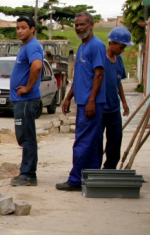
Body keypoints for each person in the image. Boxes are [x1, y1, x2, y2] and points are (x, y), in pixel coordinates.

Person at [57, 11, 107, 191]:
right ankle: (91, 179)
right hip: (83, 102)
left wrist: (92, 100)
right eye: (77, 25)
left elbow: (99, 75)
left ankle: (75, 179)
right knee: (92, 142)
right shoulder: (82, 47)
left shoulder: (96, 46)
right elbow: (79, 75)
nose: (79, 28)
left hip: (91, 103)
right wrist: (68, 97)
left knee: (83, 142)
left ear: (91, 25)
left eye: (83, 24)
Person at [9, 17, 44, 186]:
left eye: (23, 27)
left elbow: (37, 66)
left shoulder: (33, 46)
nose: (20, 31)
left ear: (32, 29)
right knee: (23, 136)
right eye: (18, 28)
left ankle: (29, 175)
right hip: (21, 100)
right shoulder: (27, 47)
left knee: (27, 136)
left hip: (27, 100)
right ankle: (25, 172)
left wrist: (28, 88)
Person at [101, 26, 133, 169]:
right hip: (100, 107)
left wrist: (124, 102)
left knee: (115, 138)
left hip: (114, 107)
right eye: (121, 47)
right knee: (96, 140)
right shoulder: (101, 58)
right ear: (112, 43)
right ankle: (94, 168)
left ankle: (110, 168)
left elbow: (118, 82)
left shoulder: (119, 60)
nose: (122, 51)